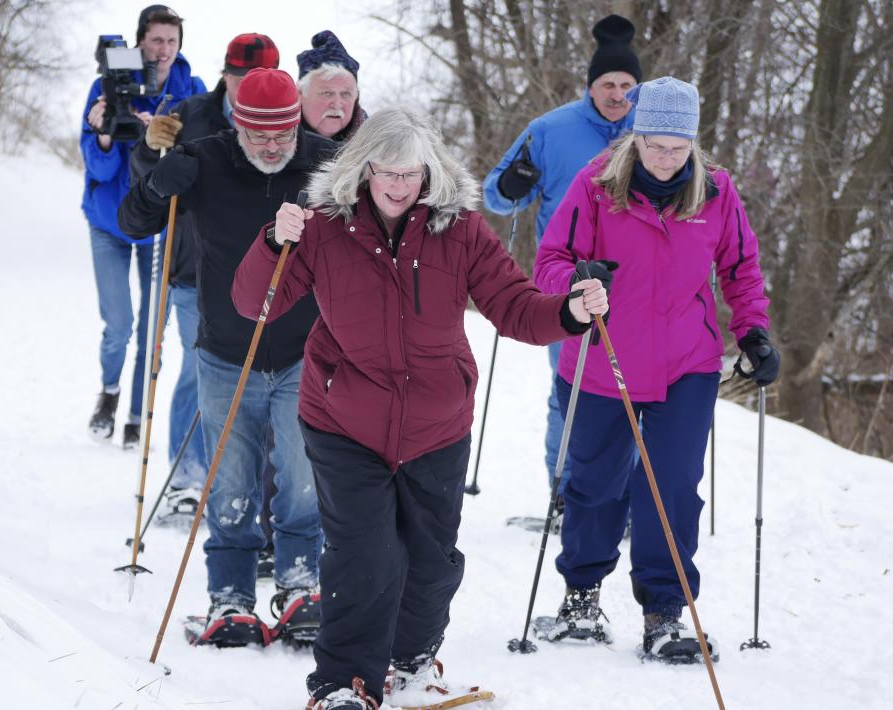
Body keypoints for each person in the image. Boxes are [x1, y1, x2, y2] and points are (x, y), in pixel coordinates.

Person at [232, 108, 609, 710]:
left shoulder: (458, 231)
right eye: (388, 171)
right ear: (364, 168)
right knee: (366, 553)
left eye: (412, 173)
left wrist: (570, 314)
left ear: (428, 172)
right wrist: (274, 241)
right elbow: (258, 303)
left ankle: (409, 663)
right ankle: (342, 682)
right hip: (343, 417)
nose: (399, 185)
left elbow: (513, 305)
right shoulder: (324, 227)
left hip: (437, 422)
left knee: (431, 561)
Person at [531, 77, 780, 664]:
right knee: (593, 486)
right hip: (600, 360)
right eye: (656, 146)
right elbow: (549, 261)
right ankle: (581, 598)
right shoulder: (595, 186)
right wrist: (575, 282)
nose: (667, 159)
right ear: (636, 139)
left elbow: (741, 268)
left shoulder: (716, 192)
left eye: (678, 148)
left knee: (670, 489)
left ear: (692, 143)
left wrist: (753, 331)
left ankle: (665, 612)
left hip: (685, 366)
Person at [119, 68, 337, 647]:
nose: (273, 144)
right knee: (231, 480)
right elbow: (133, 222)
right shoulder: (205, 159)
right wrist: (156, 183)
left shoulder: (327, 164)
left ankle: (298, 583)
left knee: (300, 477)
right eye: (260, 133)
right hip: (223, 351)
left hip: (302, 351)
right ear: (238, 123)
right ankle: (231, 594)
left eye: (283, 132)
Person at [483, 14, 641, 501]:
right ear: (590, 86)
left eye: (627, 85)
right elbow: (495, 196)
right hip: (568, 280)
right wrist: (514, 185)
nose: (618, 95)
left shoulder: (657, 133)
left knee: (637, 393)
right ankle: (564, 493)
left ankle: (633, 496)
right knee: (569, 390)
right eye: (607, 84)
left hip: (639, 284)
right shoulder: (549, 130)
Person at [131, 32, 281, 526]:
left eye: (256, 79)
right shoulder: (190, 114)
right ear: (224, 74)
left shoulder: (284, 123)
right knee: (200, 370)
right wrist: (153, 150)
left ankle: (245, 481)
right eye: (238, 77)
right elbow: (150, 179)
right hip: (196, 270)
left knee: (259, 383)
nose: (245, 88)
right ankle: (187, 478)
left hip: (266, 276)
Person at [81, 5, 205, 448]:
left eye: (172, 41)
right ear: (139, 42)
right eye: (156, 41)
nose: (164, 50)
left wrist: (163, 140)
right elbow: (94, 166)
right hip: (109, 223)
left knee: (153, 333)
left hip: (162, 226)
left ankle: (136, 416)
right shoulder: (106, 85)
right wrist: (105, 135)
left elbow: (203, 157)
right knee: (120, 325)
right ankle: (109, 395)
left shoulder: (191, 90)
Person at [297, 30, 367, 142]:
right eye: (327, 93)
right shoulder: (272, 146)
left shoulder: (376, 150)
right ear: (300, 95)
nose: (337, 104)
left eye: (346, 94)